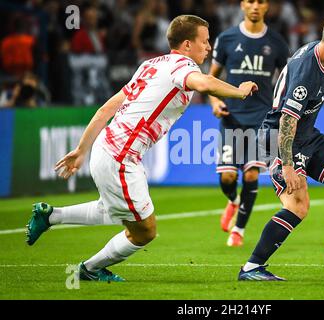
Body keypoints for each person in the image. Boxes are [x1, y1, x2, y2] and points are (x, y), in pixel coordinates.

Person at [25, 15, 257, 282]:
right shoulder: (182, 66)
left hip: (108, 148)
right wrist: (239, 91)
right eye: (204, 41)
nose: (209, 47)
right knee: (145, 231)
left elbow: (106, 109)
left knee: (110, 210)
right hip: (121, 157)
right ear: (186, 45)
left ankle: (51, 216)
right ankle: (90, 269)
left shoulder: (150, 65)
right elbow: (204, 84)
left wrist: (82, 149)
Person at [238, 14, 324, 281]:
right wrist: (288, 165)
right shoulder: (307, 72)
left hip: (306, 136)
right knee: (298, 205)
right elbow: (287, 119)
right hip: (278, 138)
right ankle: (252, 268)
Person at [209, 0, 289, 247]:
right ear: (243, 5)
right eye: (250, 1)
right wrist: (214, 102)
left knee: (251, 174)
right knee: (228, 178)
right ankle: (233, 201)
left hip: (261, 119)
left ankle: (239, 231)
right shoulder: (227, 39)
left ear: (267, 7)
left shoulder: (277, 43)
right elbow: (210, 78)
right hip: (231, 117)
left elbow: (286, 80)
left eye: (261, 2)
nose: (255, 6)